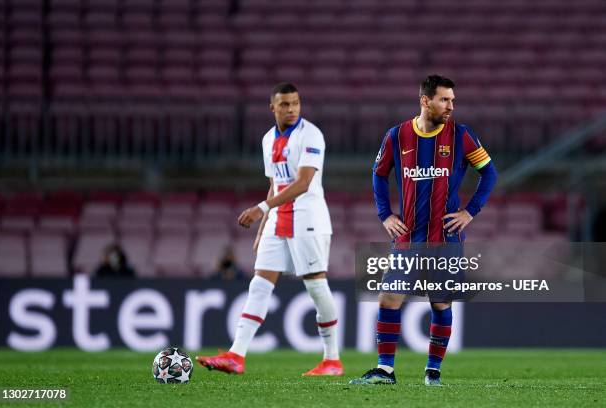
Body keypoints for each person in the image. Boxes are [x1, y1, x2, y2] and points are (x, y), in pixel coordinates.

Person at [350, 75, 498, 386]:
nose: (450, 106)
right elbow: (378, 175)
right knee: (389, 297)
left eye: (453, 100)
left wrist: (470, 212)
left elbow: (490, 173)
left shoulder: (462, 135)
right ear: (425, 100)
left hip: (445, 237)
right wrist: (385, 215)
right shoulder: (397, 135)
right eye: (445, 99)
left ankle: (433, 372)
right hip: (408, 237)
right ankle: (385, 370)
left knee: (440, 302)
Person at [197, 83, 343, 376]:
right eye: (285, 104)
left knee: (315, 286)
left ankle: (332, 359)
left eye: (296, 103)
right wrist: (265, 225)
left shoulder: (311, 135)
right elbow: (275, 183)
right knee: (259, 283)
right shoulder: (268, 139)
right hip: (279, 218)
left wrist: (261, 209)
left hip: (308, 217)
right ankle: (236, 355)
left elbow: (302, 184)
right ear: (272, 107)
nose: (291, 109)